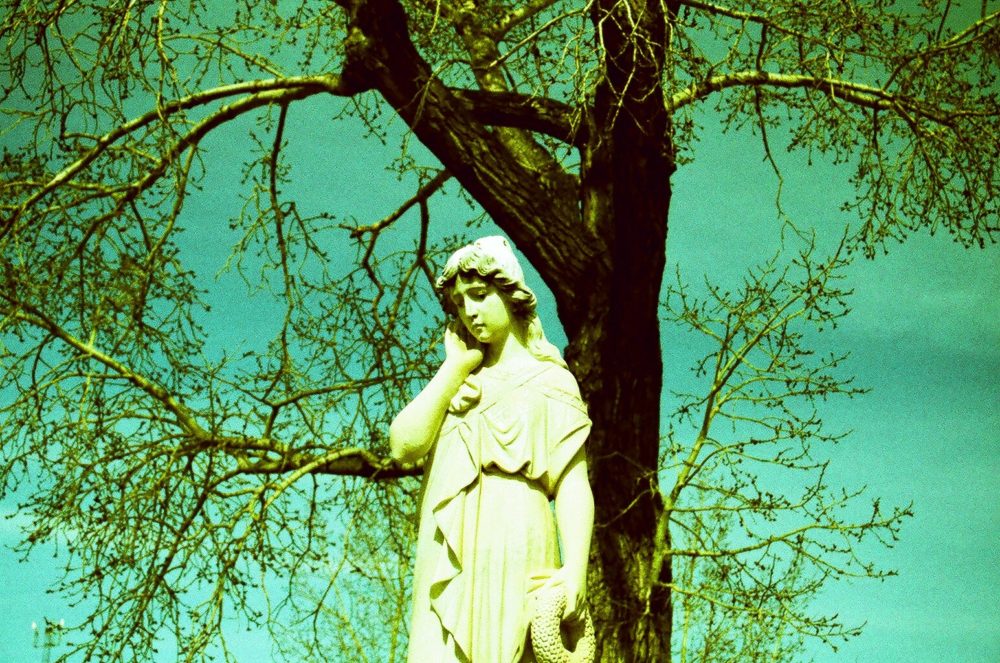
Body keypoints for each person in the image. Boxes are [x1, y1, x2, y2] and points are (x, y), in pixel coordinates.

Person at [390, 236, 594, 663]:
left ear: (510, 294)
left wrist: (575, 570)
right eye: (460, 302)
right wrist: (454, 368)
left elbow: (574, 484)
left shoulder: (551, 381)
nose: (470, 311)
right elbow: (403, 447)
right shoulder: (458, 384)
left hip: (518, 541)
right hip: (447, 551)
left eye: (480, 296)